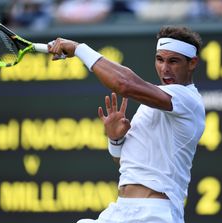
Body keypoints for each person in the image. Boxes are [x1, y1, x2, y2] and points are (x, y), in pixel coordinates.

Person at [48, 25, 206, 223]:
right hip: (120, 210)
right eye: (160, 59)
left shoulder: (188, 99)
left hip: (154, 214)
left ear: (192, 63)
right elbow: (124, 163)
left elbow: (124, 84)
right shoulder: (155, 103)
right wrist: (115, 140)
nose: (164, 68)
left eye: (173, 61)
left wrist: (79, 49)